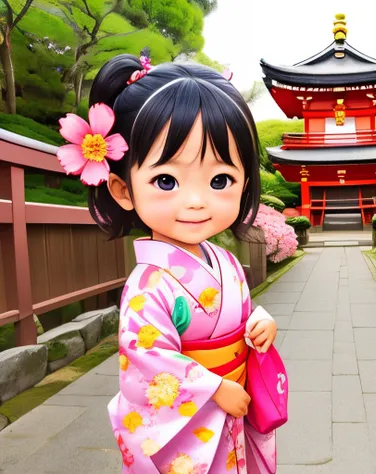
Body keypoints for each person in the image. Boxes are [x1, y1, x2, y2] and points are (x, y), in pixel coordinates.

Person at [55, 50, 283, 473]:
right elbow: (148, 360)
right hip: (197, 419)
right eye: (166, 180)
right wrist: (214, 388)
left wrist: (260, 323)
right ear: (123, 190)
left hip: (233, 405)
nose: (196, 202)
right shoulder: (149, 286)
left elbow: (239, 315)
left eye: (220, 180)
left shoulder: (225, 263)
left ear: (245, 182)